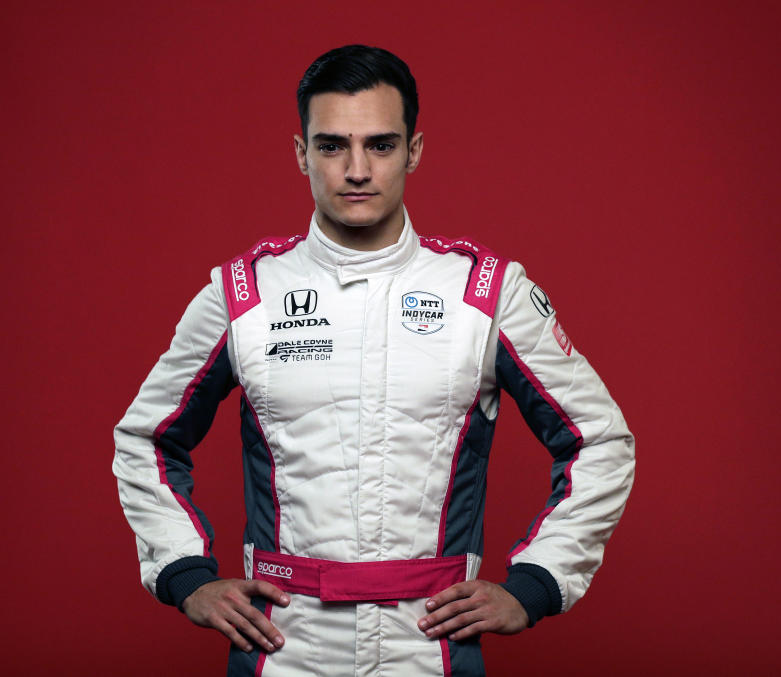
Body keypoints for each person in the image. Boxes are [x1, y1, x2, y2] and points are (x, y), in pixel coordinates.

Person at [113, 44, 634, 676]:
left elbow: (600, 440)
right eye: (332, 146)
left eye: (381, 146)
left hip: (430, 646)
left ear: (413, 151)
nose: (357, 169)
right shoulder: (241, 294)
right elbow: (146, 437)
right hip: (281, 648)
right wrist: (184, 573)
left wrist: (538, 583)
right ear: (302, 155)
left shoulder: (486, 293)